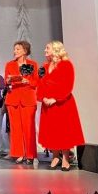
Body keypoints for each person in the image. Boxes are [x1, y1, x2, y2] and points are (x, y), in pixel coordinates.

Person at [37, 41, 85, 171]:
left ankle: (65, 158)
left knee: (64, 130)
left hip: (62, 103)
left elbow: (68, 84)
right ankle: (55, 156)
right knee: (51, 130)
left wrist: (55, 99)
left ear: (55, 49)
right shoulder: (44, 66)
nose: (45, 50)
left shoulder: (66, 65)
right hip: (48, 104)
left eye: (47, 48)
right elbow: (40, 83)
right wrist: (43, 98)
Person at [4, 40, 39, 165]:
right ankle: (18, 153)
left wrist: (28, 81)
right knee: (15, 128)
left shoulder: (33, 64)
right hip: (13, 99)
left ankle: (30, 154)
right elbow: (6, 82)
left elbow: (36, 81)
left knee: (29, 128)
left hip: (28, 99)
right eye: (14, 49)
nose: (15, 51)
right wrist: (9, 80)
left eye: (18, 49)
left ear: (25, 51)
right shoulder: (9, 64)